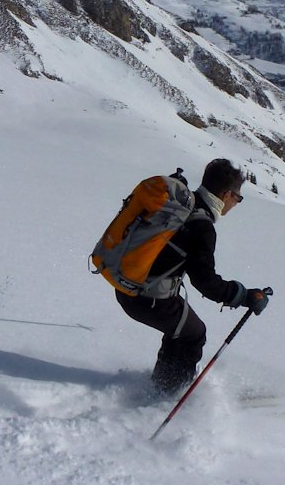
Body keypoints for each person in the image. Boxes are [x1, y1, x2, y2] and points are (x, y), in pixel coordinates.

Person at [116, 158, 270, 394]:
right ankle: (172, 396)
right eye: (238, 197)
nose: (237, 203)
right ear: (227, 195)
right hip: (148, 299)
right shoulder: (201, 225)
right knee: (194, 335)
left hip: (127, 286)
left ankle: (162, 385)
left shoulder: (181, 205)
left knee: (180, 329)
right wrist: (244, 296)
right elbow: (204, 281)